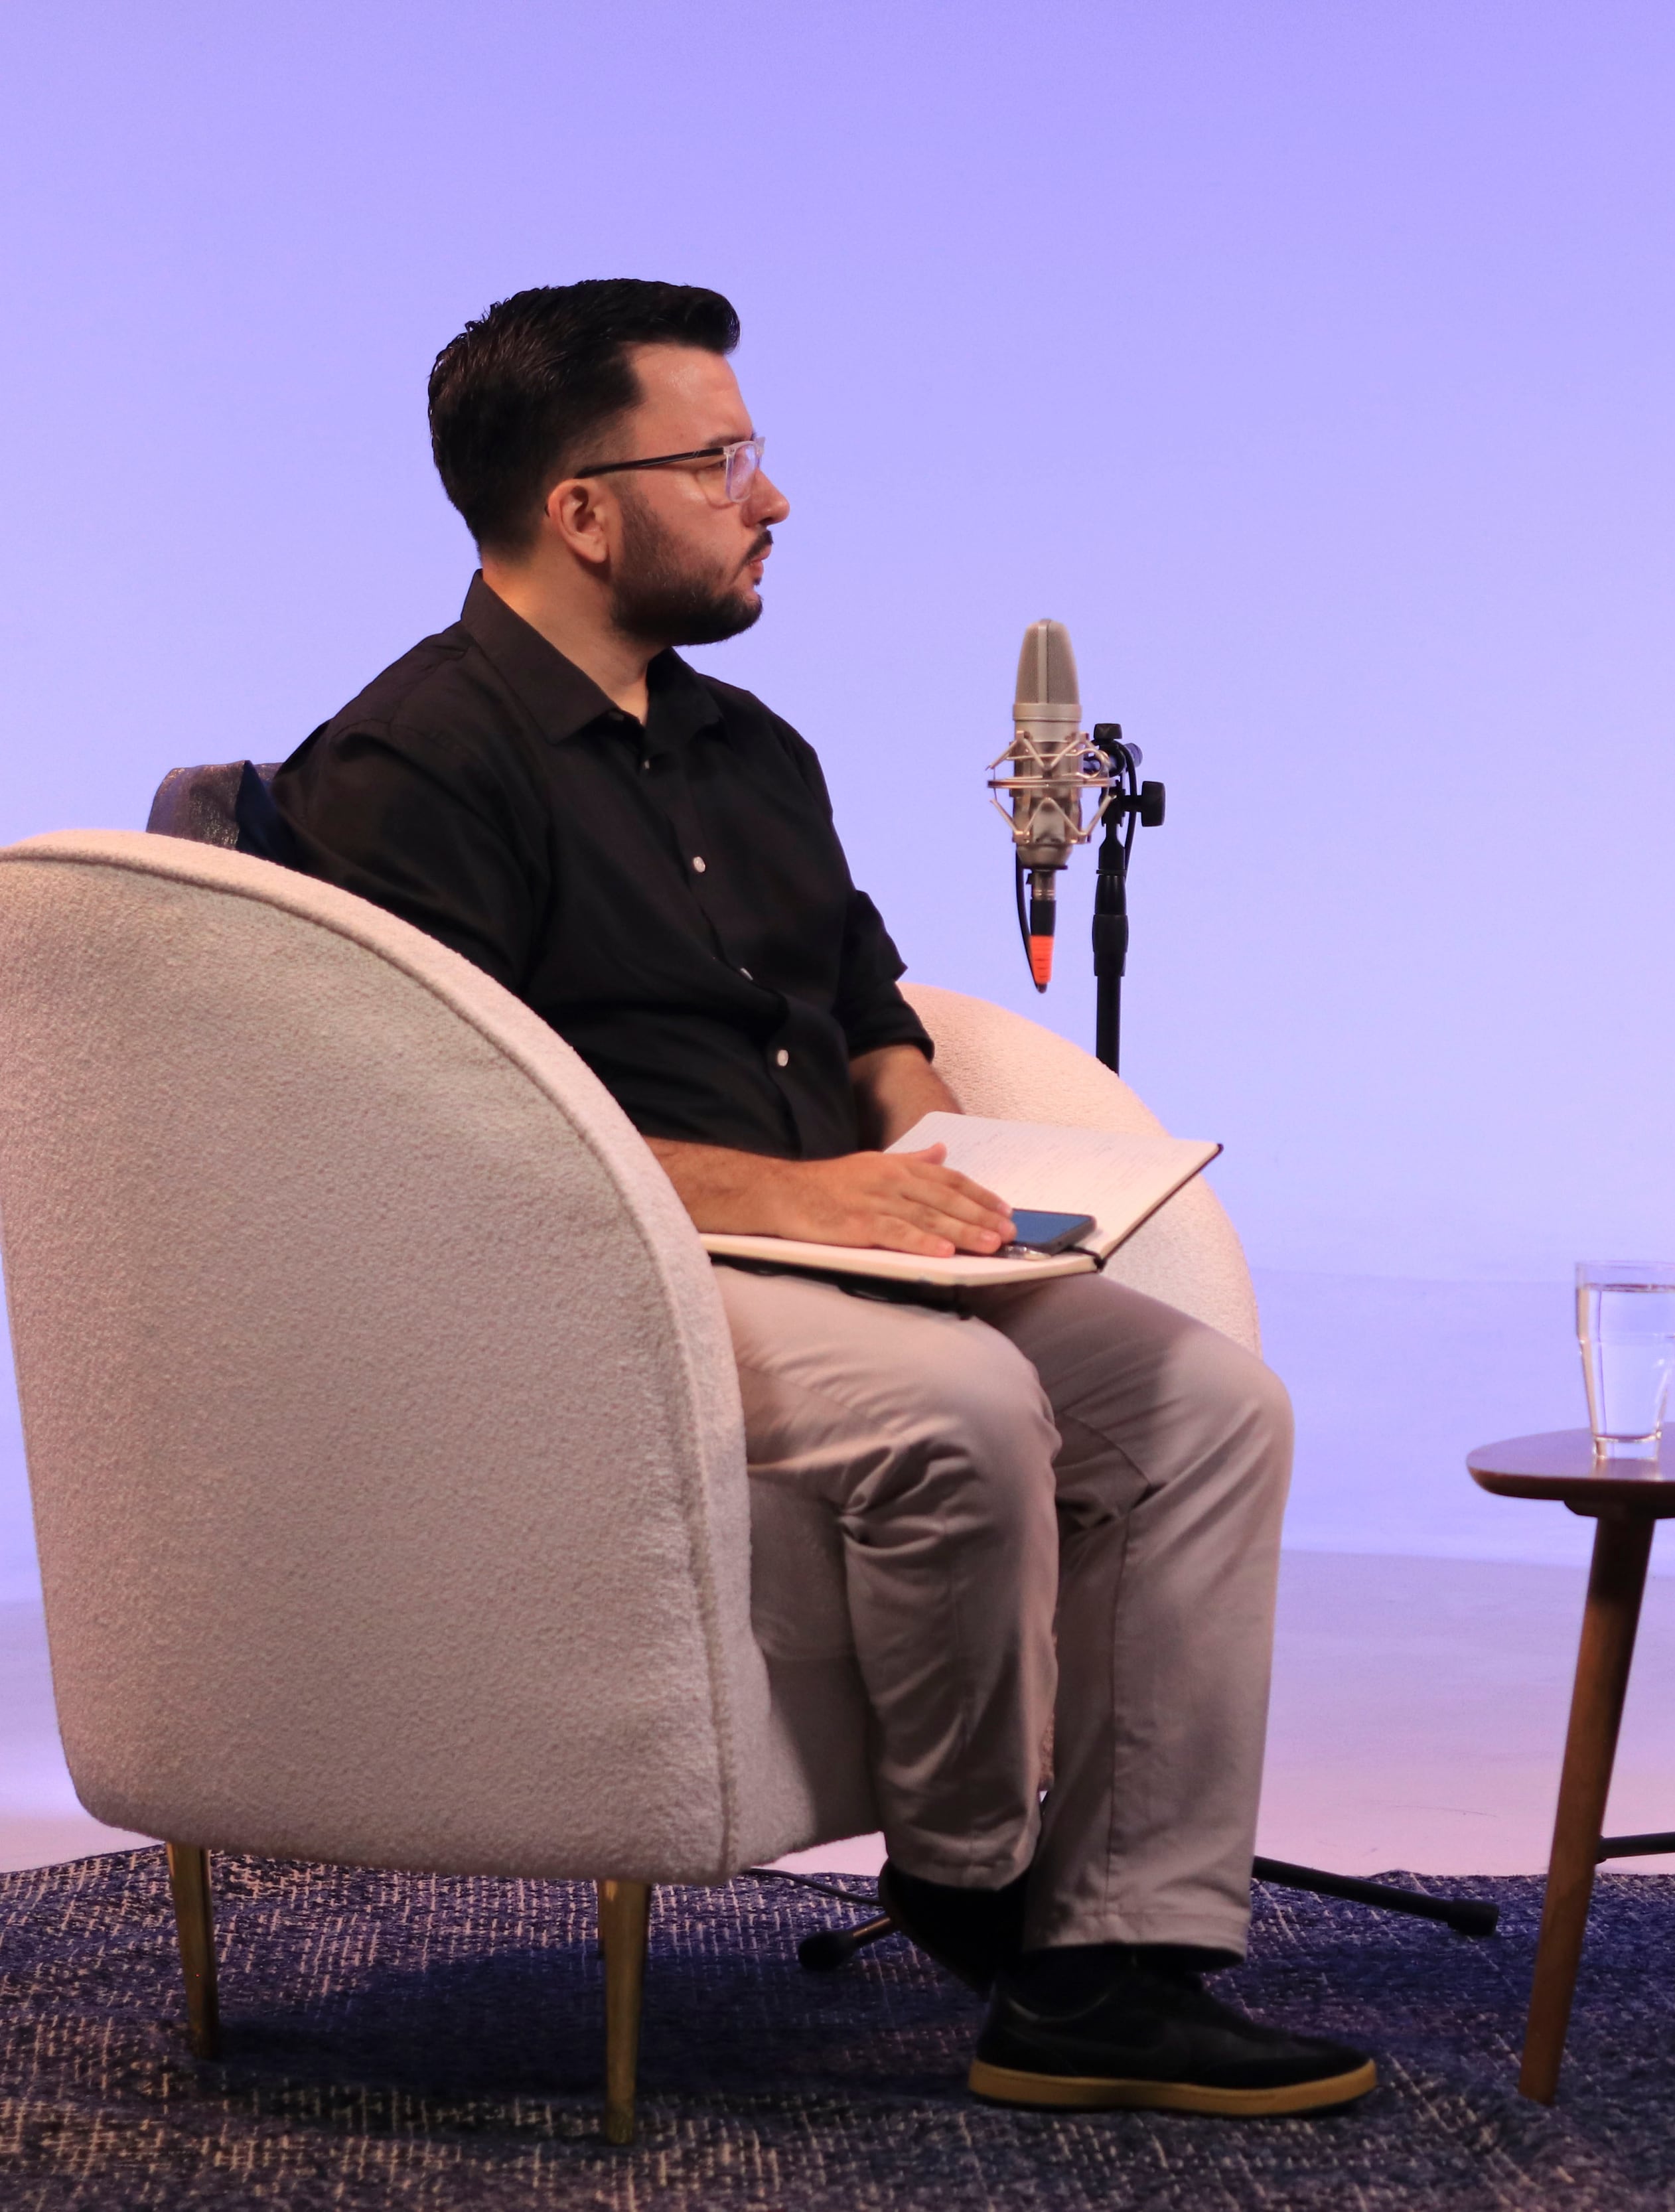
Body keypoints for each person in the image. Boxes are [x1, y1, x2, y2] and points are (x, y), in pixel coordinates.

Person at [273, 280, 1374, 2119]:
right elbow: (446, 1124)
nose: (769, 500)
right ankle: (970, 1885)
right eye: (722, 462)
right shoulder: (406, 770)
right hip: (604, 1270)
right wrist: (808, 1201)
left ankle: (1115, 1965)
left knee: (1207, 1408)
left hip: (826, 1239)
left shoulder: (755, 754)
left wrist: (943, 1168)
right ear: (583, 510)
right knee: (958, 1412)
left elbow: (871, 1018)